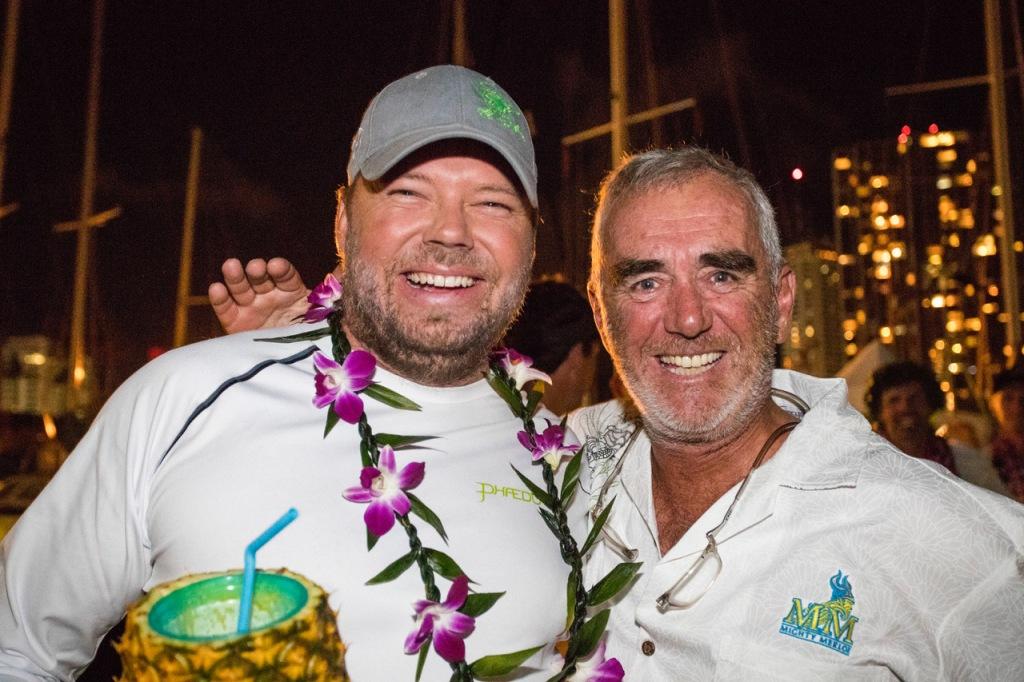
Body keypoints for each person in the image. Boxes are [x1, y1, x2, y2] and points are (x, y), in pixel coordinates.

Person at [0, 66, 579, 681]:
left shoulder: (569, 467)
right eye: (409, 192)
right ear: (344, 222)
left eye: (492, 203)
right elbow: (17, 649)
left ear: (532, 245)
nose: (451, 232)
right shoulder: (184, 398)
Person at [571, 147, 1024, 679]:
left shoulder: (948, 538)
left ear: (781, 303)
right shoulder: (562, 463)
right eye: (646, 282)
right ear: (602, 315)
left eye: (721, 276)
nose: (687, 318)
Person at [865, 360, 1007, 494]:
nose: (905, 407)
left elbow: (1002, 508)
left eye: (914, 398)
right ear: (880, 412)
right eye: (894, 400)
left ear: (930, 405)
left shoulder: (965, 461)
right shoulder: (863, 469)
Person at [987, 367, 1024, 502]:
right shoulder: (985, 451)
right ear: (993, 404)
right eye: (1008, 399)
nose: (1016, 408)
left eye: (1023, 401)